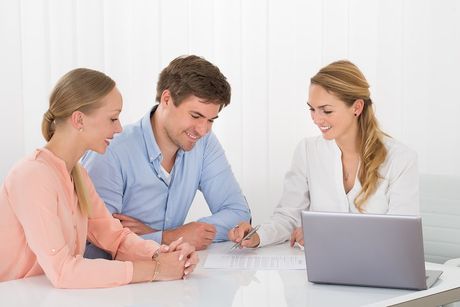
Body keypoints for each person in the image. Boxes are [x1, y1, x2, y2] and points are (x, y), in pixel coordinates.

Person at [0, 68, 198, 288]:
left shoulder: (78, 174)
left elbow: (115, 237)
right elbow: (63, 271)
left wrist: (164, 254)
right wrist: (156, 270)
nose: (119, 128)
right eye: (113, 118)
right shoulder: (33, 175)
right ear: (79, 119)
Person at [229, 60, 419, 248]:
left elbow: (400, 235)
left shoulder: (400, 159)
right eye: (312, 109)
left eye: (326, 111)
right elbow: (288, 217)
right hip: (323, 270)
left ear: (357, 107)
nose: (317, 119)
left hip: (379, 272)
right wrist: (257, 236)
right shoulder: (307, 151)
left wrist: (325, 234)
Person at [82, 55, 251, 259]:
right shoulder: (111, 150)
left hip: (171, 276)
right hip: (114, 284)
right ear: (167, 99)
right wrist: (168, 237)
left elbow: (238, 213)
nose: (203, 130)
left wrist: (161, 236)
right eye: (196, 116)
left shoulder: (204, 144)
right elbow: (98, 238)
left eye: (211, 120)